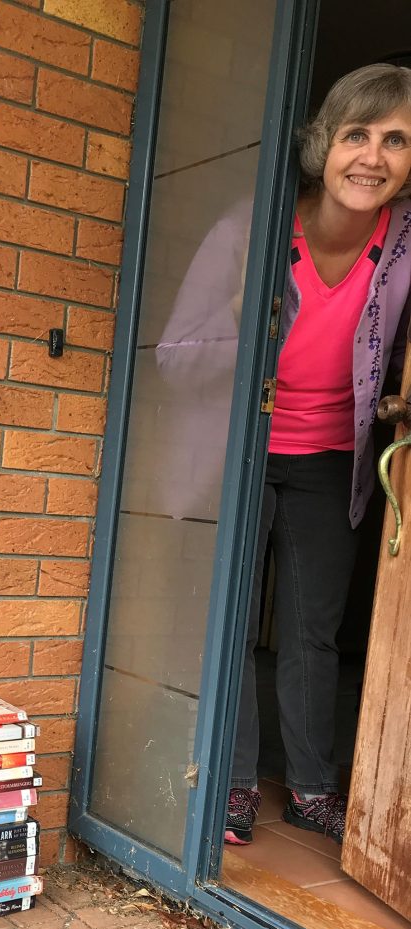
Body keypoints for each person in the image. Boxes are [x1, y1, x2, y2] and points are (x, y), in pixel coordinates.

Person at [225, 65, 411, 845]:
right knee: (225, 623)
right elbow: (178, 343)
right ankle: (230, 784)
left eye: (395, 139)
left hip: (332, 458)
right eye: (355, 135)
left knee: (310, 630)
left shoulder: (403, 246)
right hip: (236, 452)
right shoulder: (261, 226)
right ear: (321, 145)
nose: (371, 157)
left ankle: (308, 788)